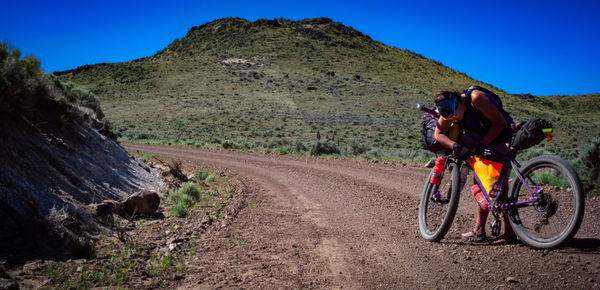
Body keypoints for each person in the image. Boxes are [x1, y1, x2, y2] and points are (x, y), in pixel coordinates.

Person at [433, 88, 517, 244]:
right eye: (449, 117)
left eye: (453, 115)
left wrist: (482, 144)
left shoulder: (476, 98)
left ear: (458, 102)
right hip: (482, 141)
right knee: (480, 183)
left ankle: (510, 234)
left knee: (499, 186)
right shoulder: (448, 108)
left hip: (501, 136)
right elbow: (438, 134)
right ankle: (479, 230)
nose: (452, 118)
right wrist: (456, 147)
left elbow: (499, 123)